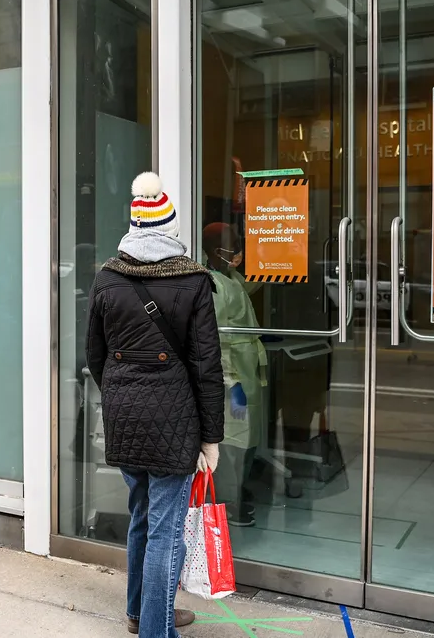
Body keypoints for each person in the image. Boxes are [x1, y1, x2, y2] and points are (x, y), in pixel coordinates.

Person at [86, 172, 225, 637]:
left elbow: (95, 355)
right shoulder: (193, 279)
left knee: (143, 517)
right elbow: (206, 366)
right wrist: (211, 438)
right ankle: (156, 629)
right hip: (175, 422)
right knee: (166, 530)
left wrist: (122, 398)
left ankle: (140, 612)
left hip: (124, 416)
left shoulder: (108, 277)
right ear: (170, 228)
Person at [202, 222, 266, 527]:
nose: (238, 253)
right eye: (233, 248)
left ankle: (236, 494)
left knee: (245, 437)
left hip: (246, 367)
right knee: (231, 442)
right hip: (233, 374)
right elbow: (216, 340)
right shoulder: (213, 285)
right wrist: (232, 384)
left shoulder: (230, 277)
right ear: (217, 251)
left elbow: (247, 286)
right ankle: (228, 503)